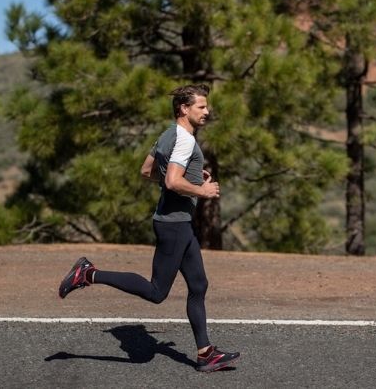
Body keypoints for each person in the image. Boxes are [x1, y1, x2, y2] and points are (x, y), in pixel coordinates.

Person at [58, 84, 240, 372]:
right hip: (174, 224)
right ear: (184, 109)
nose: (207, 111)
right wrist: (201, 190)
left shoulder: (170, 134)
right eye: (201, 107)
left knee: (198, 284)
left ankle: (206, 353)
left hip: (178, 222)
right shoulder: (184, 140)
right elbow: (170, 182)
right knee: (157, 292)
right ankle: (88, 273)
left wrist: (191, 175)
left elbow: (147, 170)